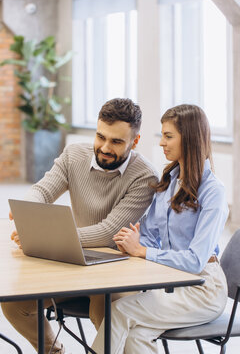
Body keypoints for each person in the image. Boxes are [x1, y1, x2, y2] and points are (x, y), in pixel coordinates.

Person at [1, 98, 158, 354]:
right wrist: (26, 210)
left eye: (116, 141)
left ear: (135, 141)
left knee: (106, 311)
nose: (105, 147)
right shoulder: (74, 155)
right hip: (73, 260)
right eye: (100, 137)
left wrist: (46, 235)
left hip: (118, 268)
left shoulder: (145, 176)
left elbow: (110, 233)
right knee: (14, 304)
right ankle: (54, 351)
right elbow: (42, 190)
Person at [92, 104, 229, 354]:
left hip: (204, 289)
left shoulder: (213, 191)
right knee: (137, 337)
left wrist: (143, 251)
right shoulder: (169, 183)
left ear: (188, 138)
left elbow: (196, 260)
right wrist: (133, 240)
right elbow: (150, 235)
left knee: (120, 310)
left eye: (168, 136)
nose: (161, 143)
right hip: (171, 283)